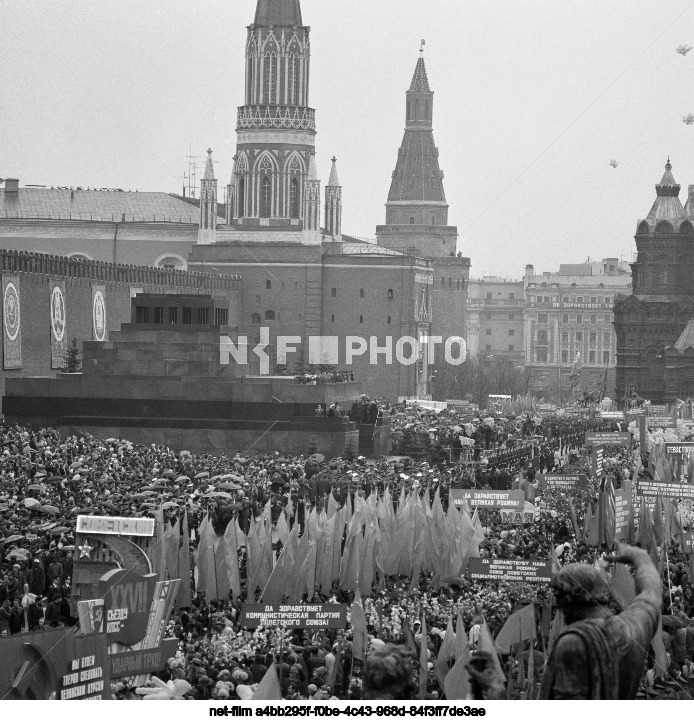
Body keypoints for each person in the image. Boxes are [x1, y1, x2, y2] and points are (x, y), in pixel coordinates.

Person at [539, 541, 662, 699]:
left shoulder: (573, 643)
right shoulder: (632, 627)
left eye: (558, 598)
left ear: (568, 600)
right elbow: (651, 592)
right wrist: (642, 560)